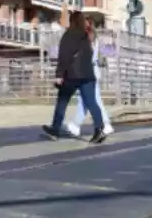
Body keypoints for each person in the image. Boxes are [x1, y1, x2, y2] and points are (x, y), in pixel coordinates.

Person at [43, 11, 106, 144]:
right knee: (92, 102)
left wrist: (59, 75)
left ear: (72, 21)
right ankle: (99, 129)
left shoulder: (69, 35)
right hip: (88, 75)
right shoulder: (85, 36)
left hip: (72, 75)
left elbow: (64, 56)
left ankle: (55, 129)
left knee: (62, 101)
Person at [64, 20, 114, 139]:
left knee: (92, 101)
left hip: (87, 74)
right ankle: (76, 125)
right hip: (92, 73)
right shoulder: (93, 39)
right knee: (86, 101)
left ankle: (104, 125)